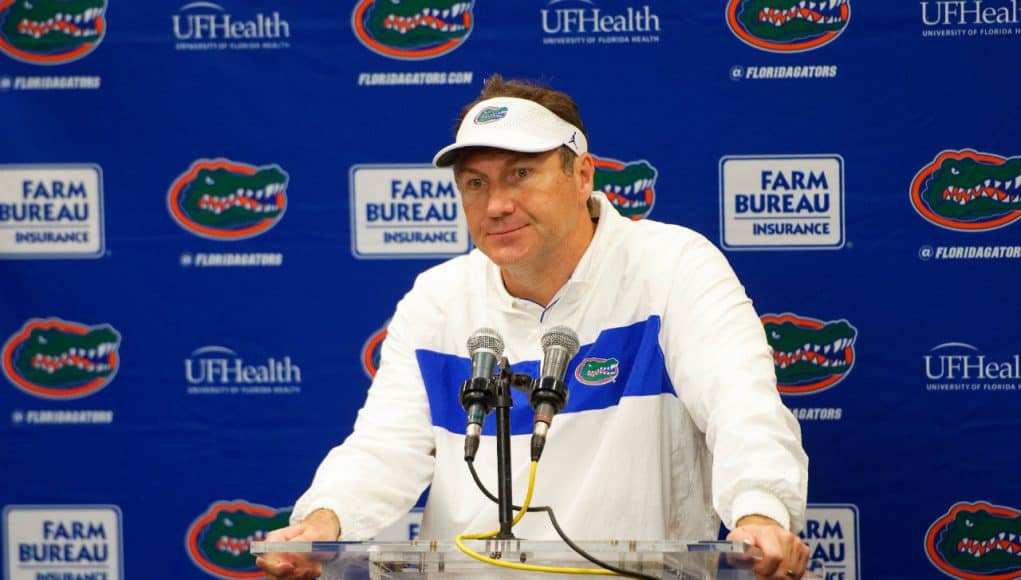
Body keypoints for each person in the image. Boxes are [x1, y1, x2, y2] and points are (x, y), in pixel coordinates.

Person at [257, 75, 810, 580]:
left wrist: (759, 512)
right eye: (475, 183)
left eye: (521, 174)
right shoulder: (438, 298)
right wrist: (323, 522)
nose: (497, 204)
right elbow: (384, 448)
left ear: (582, 173)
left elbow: (743, 405)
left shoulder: (672, 267)